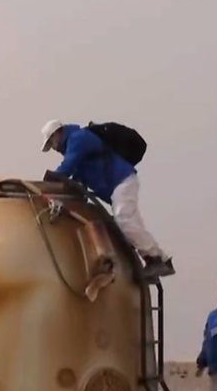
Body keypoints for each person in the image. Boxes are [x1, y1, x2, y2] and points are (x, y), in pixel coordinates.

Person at [40, 119, 174, 280]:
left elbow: (66, 167)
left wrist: (51, 179)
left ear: (58, 133)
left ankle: (154, 259)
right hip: (120, 184)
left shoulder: (77, 138)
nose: (53, 147)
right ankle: (163, 260)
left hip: (121, 181)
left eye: (51, 142)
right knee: (131, 222)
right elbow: (77, 178)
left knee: (124, 220)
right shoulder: (75, 147)